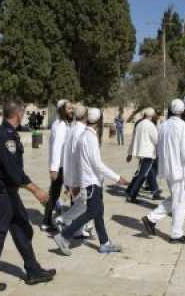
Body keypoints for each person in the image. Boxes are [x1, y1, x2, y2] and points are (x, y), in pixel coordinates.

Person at [0, 100, 55, 292]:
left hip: (10, 193)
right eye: (24, 112)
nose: (25, 115)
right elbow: (13, 171)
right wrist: (36, 190)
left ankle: (33, 270)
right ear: (18, 114)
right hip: (1, 195)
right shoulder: (3, 136)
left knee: (22, 229)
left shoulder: (9, 134)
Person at [53, 108, 129, 256]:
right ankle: (64, 236)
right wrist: (117, 177)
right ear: (99, 121)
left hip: (92, 181)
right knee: (92, 212)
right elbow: (97, 164)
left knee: (98, 212)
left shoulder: (85, 135)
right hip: (92, 182)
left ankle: (105, 243)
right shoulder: (89, 137)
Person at [141, 99, 185, 244]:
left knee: (175, 198)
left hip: (167, 168)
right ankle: (176, 234)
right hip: (179, 169)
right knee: (180, 201)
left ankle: (151, 219)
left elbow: (159, 147)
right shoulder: (183, 126)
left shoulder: (163, 125)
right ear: (183, 111)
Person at [55, 104, 91, 237]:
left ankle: (78, 229)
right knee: (84, 205)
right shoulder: (81, 131)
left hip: (70, 173)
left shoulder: (71, 129)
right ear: (85, 116)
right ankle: (63, 220)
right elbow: (80, 157)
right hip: (78, 176)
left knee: (80, 203)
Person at [42, 99, 73, 232]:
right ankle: (51, 221)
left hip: (63, 166)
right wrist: (54, 169)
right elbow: (57, 147)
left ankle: (48, 220)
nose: (72, 110)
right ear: (62, 110)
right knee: (68, 193)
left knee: (58, 194)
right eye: (69, 108)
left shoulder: (63, 123)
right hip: (61, 167)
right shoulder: (60, 125)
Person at [125, 107, 161, 203]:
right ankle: (132, 195)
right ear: (152, 115)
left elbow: (133, 139)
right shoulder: (150, 125)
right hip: (148, 154)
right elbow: (157, 140)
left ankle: (153, 191)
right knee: (143, 175)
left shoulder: (139, 124)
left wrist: (130, 153)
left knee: (144, 173)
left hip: (141, 153)